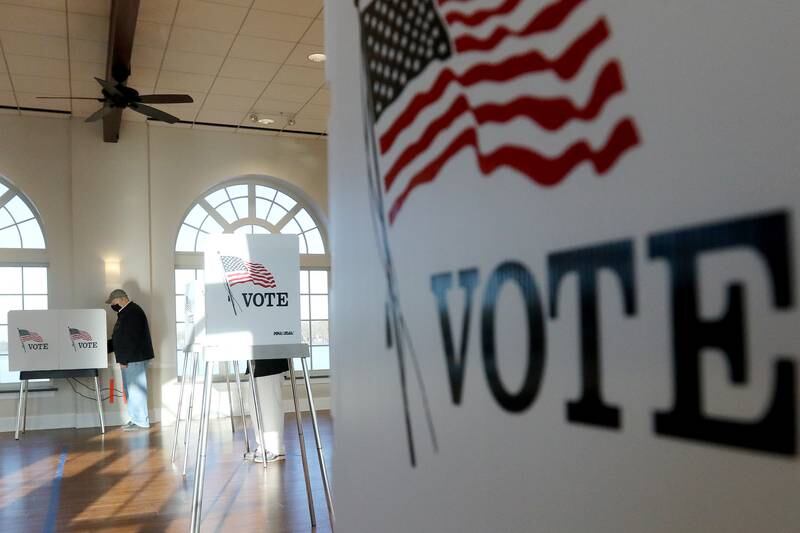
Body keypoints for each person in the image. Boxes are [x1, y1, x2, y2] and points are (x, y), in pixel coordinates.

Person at [105, 289, 155, 431]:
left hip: (134, 358)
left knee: (136, 391)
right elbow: (119, 339)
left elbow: (130, 339)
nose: (112, 305)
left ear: (121, 299)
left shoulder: (133, 312)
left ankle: (141, 422)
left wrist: (124, 359)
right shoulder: (125, 313)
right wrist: (103, 347)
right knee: (131, 391)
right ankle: (135, 419)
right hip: (130, 358)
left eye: (113, 302)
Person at [249, 359, 288, 463]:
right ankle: (263, 445)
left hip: (270, 361)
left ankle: (275, 448)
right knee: (256, 405)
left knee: (270, 403)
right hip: (258, 359)